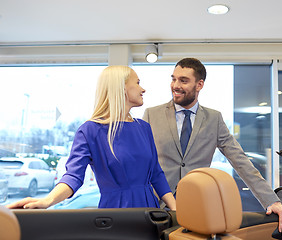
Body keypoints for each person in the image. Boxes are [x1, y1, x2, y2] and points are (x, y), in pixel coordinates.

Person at [143, 58, 282, 234]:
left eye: (183, 80)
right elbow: (141, 162)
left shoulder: (214, 119)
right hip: (156, 207)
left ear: (199, 85)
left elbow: (240, 161)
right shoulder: (152, 115)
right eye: (173, 78)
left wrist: (272, 201)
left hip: (197, 209)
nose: (175, 85)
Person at [7, 66, 176, 210]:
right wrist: (48, 200)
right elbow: (73, 176)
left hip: (150, 212)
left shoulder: (143, 127)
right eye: (138, 83)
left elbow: (156, 174)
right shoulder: (90, 130)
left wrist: (177, 212)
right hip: (116, 213)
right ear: (122, 87)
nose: (143, 89)